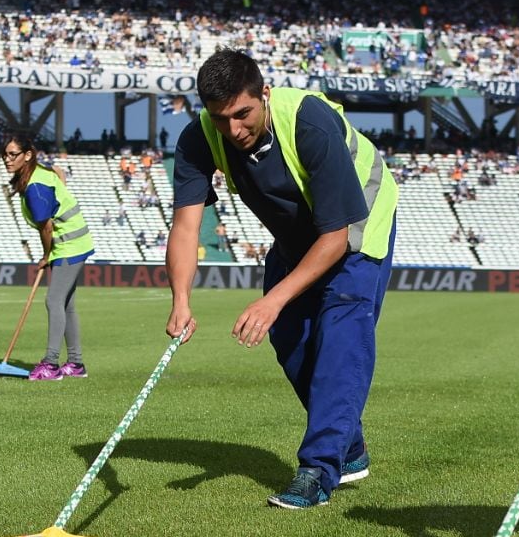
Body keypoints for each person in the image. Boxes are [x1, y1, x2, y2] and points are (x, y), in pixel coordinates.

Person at [164, 49, 398, 509]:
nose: (233, 131)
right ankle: (349, 449)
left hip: (357, 226)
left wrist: (272, 300)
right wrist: (181, 300)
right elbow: (186, 226)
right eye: (220, 118)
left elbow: (336, 237)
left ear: (264, 94)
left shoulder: (308, 122)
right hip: (296, 234)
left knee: (340, 336)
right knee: (290, 340)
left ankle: (318, 469)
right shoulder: (199, 138)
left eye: (242, 114)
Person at [0, 132, 95, 381]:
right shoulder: (40, 174)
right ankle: (75, 363)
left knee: (53, 301)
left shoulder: (35, 186)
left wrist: (46, 255)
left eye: (13, 155)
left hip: (68, 244)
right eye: (5, 155)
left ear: (28, 155)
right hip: (76, 242)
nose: (7, 160)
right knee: (67, 304)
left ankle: (51, 364)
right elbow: (59, 172)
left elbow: (47, 227)